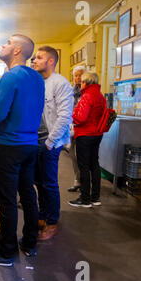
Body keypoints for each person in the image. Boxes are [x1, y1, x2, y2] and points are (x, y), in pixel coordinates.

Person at [0, 34, 45, 266]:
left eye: (8, 42)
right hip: (31, 145)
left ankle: (7, 251)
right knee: (29, 194)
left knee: (8, 200)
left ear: (17, 51)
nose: (3, 45)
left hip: (9, 146)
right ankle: (30, 244)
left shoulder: (10, 77)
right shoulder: (37, 78)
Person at [33, 46, 74, 241]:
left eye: (39, 58)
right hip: (36, 139)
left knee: (49, 183)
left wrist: (50, 142)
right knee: (39, 182)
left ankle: (52, 222)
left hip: (51, 141)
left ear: (51, 61)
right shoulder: (38, 82)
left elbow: (65, 116)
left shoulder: (60, 83)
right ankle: (42, 215)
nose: (35, 60)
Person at [69, 72, 106, 208]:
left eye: (82, 81)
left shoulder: (87, 96)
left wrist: (72, 115)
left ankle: (84, 199)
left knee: (83, 166)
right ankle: (95, 197)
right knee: (94, 165)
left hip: (85, 135)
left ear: (86, 82)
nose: (80, 83)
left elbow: (81, 118)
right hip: (97, 134)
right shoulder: (100, 96)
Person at [68, 66, 86, 193]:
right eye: (76, 75)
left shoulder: (87, 92)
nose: (78, 78)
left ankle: (81, 181)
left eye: (80, 75)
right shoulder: (71, 91)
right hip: (71, 126)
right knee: (71, 152)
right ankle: (77, 178)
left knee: (82, 155)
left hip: (83, 128)